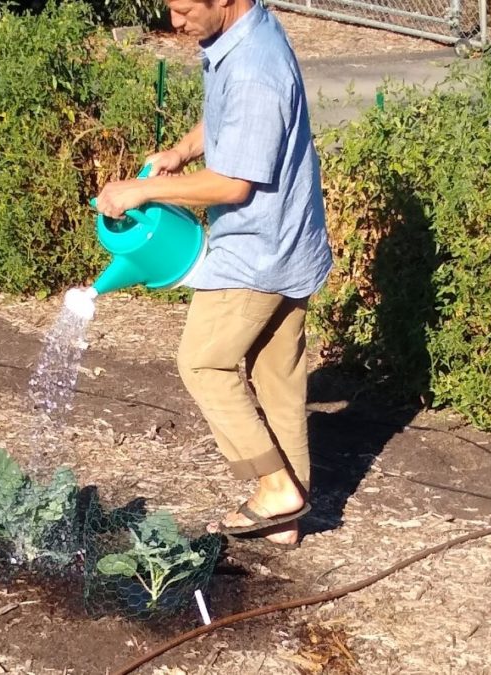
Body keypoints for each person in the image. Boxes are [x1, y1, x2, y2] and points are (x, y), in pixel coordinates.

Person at [93, 0, 332, 547]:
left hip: (257, 249)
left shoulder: (253, 67)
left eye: (182, 10)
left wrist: (145, 188)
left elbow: (232, 185)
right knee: (277, 376)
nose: (175, 23)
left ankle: (274, 489)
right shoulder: (247, 35)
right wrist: (182, 149)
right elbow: (233, 121)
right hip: (292, 240)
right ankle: (287, 517)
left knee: (201, 362)